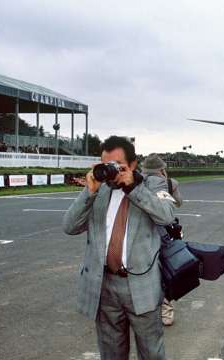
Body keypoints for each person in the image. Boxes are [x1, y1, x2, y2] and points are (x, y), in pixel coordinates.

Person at [63, 136, 175, 360]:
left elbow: (167, 216)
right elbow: (70, 226)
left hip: (141, 285)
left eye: (117, 165)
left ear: (132, 164)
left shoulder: (151, 185)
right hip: (105, 286)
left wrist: (133, 187)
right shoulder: (100, 189)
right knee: (111, 353)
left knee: (151, 352)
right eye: (106, 165)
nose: (111, 171)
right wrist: (89, 191)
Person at [141, 154, 182, 327]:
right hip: (163, 234)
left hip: (140, 234)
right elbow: (178, 203)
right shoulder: (169, 183)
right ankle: (166, 310)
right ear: (162, 169)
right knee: (166, 271)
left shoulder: (136, 183)